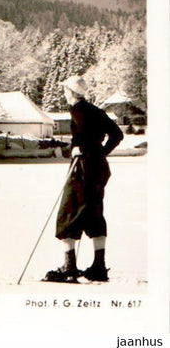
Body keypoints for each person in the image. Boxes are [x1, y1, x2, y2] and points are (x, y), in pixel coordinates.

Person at [44, 75, 124, 283]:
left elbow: (82, 136)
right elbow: (117, 134)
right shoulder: (97, 110)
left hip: (83, 167)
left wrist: (82, 149)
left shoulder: (77, 110)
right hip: (99, 167)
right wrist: (101, 152)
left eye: (65, 90)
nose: (64, 93)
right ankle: (99, 267)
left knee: (68, 213)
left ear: (70, 92)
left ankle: (69, 267)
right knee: (95, 211)